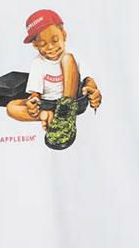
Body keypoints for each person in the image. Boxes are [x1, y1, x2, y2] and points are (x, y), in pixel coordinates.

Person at [6, 9, 102, 149]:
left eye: (55, 40)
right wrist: (33, 103)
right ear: (35, 45)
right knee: (11, 107)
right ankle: (47, 115)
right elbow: (35, 93)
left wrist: (92, 89)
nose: (51, 47)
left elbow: (89, 79)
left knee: (67, 59)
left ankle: (65, 113)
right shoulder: (37, 63)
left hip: (74, 102)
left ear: (64, 34)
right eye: (43, 44)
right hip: (48, 104)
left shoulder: (72, 54)